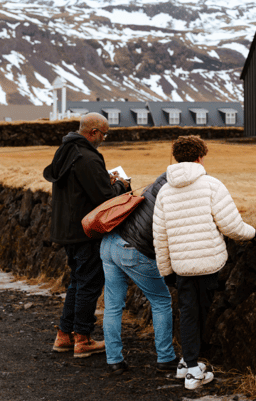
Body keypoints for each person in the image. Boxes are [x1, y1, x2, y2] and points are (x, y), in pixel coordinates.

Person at [153, 135, 255, 390]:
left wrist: (166, 270)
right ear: (200, 157)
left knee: (188, 313)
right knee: (200, 313)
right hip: (209, 262)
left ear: (177, 157)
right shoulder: (211, 185)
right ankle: (192, 370)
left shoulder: (165, 191)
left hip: (182, 267)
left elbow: (160, 236)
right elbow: (231, 225)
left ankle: (187, 364)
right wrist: (253, 233)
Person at [43, 112, 130, 358]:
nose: (104, 138)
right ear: (93, 132)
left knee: (77, 282)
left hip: (67, 230)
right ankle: (82, 339)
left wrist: (105, 180)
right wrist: (120, 185)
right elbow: (104, 198)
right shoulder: (88, 157)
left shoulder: (66, 151)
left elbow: (81, 188)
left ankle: (64, 335)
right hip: (85, 231)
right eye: (104, 134)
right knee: (89, 284)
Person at [99, 171, 178, 374]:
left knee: (113, 306)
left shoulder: (154, 184)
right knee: (161, 301)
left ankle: (114, 360)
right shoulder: (174, 198)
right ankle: (166, 357)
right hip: (133, 250)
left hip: (110, 243)